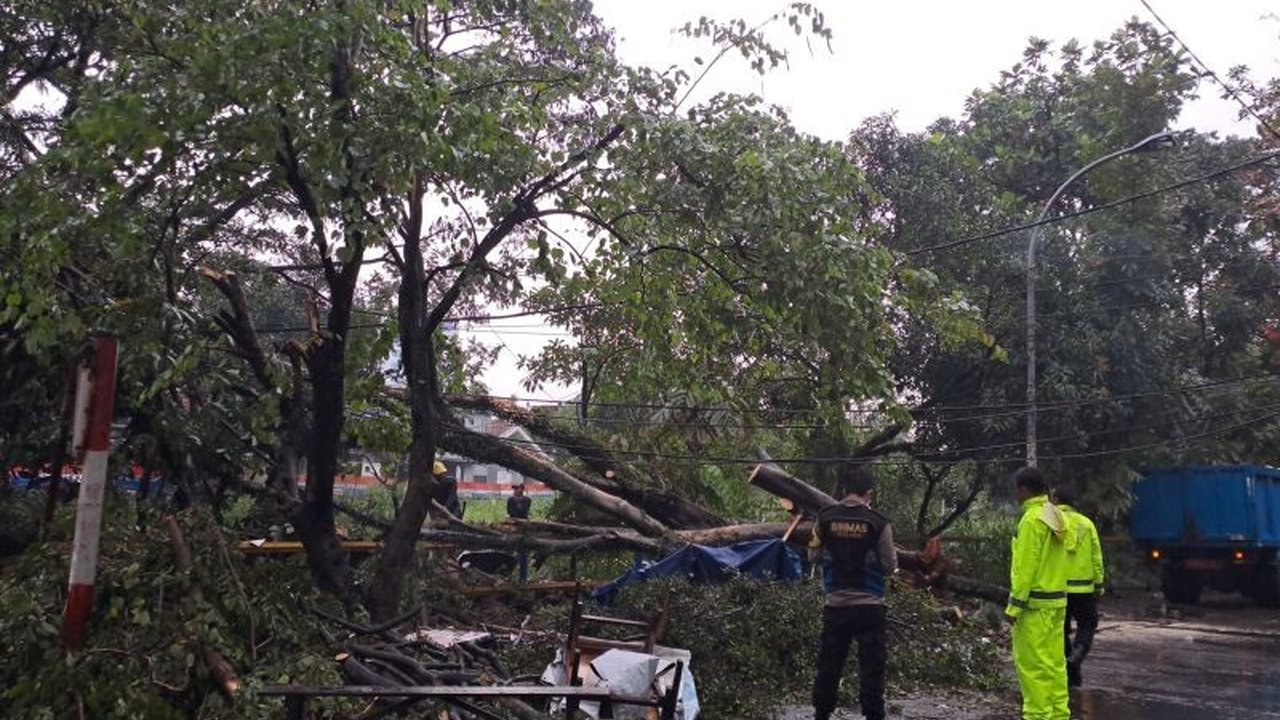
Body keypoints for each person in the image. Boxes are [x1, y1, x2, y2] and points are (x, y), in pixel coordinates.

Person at [808, 464, 897, 720]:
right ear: (868, 493)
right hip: (870, 607)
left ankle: (822, 714)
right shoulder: (879, 523)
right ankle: (873, 715)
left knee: (829, 665)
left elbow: (812, 556)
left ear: (844, 490)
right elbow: (890, 566)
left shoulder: (824, 519)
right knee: (871, 669)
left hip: (836, 606)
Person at [1007, 467, 1073, 720]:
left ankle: (1037, 716)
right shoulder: (1054, 514)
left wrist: (1014, 606)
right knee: (1055, 665)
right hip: (1057, 601)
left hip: (1034, 605)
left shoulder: (1032, 519)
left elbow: (1026, 567)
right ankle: (1058, 715)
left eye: (1017, 489)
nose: (1015, 494)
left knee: (1032, 667)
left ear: (1024, 489)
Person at [1055, 483, 1104, 688]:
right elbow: (1096, 556)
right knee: (1087, 623)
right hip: (1084, 589)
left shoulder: (1052, 522)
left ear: (1056, 500)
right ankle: (1078, 654)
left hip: (1058, 588)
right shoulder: (1087, 524)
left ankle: (1069, 671)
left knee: (1061, 629)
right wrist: (1099, 584)